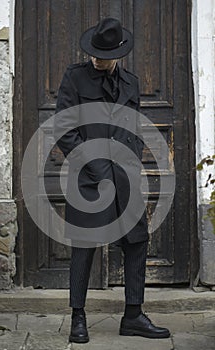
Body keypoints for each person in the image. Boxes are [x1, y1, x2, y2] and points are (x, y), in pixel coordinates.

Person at [54, 17, 170, 344]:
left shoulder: (131, 83)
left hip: (126, 179)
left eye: (104, 55)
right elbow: (64, 130)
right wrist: (95, 167)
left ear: (119, 53)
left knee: (136, 243)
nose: (97, 59)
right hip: (89, 179)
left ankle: (133, 315)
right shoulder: (74, 77)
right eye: (94, 53)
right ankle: (78, 316)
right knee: (84, 247)